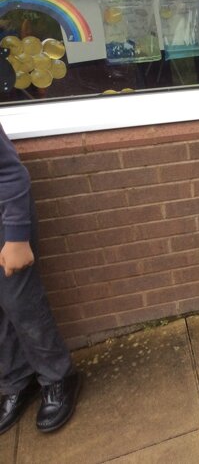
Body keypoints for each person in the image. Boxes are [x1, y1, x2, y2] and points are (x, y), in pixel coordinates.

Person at [0, 123, 80, 435]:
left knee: (22, 305)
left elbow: (10, 174)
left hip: (6, 224)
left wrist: (16, 237)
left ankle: (58, 376)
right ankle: (17, 380)